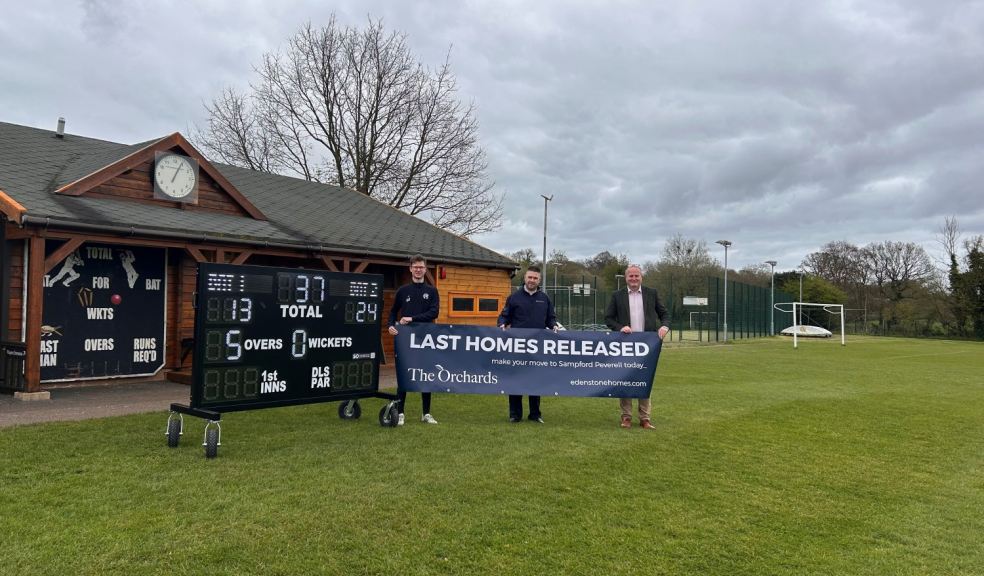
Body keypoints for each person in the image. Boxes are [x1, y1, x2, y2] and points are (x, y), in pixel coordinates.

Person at [604, 264, 670, 430]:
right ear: (626, 278)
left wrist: (664, 326)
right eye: (630, 276)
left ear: (641, 277)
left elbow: (665, 314)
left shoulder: (651, 293)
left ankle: (645, 418)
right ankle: (626, 417)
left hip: (647, 346)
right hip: (625, 346)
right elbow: (608, 318)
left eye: (636, 276)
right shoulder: (617, 296)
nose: (633, 279)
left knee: (644, 381)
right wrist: (620, 327)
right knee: (625, 380)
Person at [497, 266, 558, 423]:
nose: (532, 280)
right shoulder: (514, 297)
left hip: (537, 348)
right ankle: (515, 414)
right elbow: (504, 316)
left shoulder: (544, 299)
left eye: (535, 278)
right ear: (525, 278)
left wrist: (554, 325)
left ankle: (535, 414)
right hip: (517, 347)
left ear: (539, 280)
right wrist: (502, 324)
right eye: (530, 277)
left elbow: (550, 319)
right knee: (515, 379)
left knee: (535, 380)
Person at [388, 254, 440, 425]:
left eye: (421, 267)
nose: (418, 270)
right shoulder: (403, 291)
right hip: (406, 340)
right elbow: (393, 311)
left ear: (425, 269)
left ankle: (426, 413)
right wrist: (391, 325)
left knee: (426, 375)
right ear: (410, 268)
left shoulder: (432, 291)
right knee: (405, 375)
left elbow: (434, 313)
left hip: (426, 338)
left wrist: (412, 318)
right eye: (415, 267)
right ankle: (400, 412)